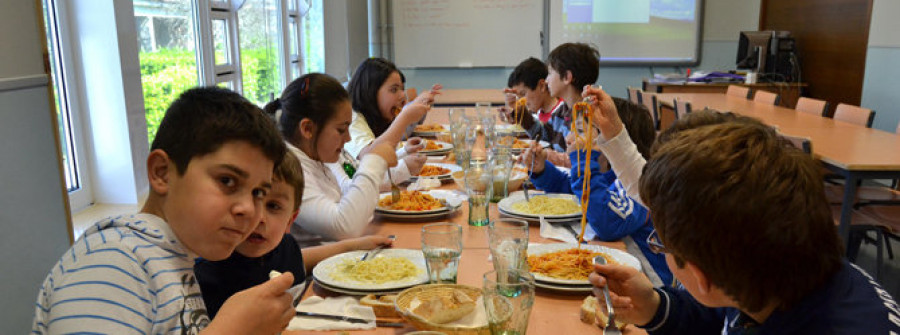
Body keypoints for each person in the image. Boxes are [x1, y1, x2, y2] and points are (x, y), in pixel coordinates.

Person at [582, 86, 900, 333]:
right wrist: (654, 306)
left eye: (660, 241)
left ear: (699, 275)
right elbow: (724, 313)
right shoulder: (777, 267)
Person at [32, 87, 296, 334]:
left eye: (258, 193)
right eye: (227, 181)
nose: (249, 210)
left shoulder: (172, 259)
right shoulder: (113, 261)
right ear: (162, 173)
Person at [195, 151, 392, 318]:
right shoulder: (208, 277)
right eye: (249, 198)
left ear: (290, 219)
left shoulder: (286, 247)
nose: (259, 218)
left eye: (273, 206)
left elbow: (301, 259)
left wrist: (354, 246)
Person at [521, 97, 672, 286]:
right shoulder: (608, 175)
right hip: (618, 276)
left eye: (580, 132)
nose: (569, 139)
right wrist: (541, 170)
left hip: (650, 287)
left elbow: (607, 222)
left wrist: (584, 159)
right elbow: (574, 191)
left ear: (612, 143)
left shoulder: (640, 187)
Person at [263, 73, 398, 246]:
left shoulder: (317, 158)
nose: (348, 138)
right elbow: (345, 227)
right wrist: (374, 161)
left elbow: (349, 195)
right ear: (307, 129)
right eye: (341, 130)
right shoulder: (288, 168)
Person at [344, 57, 442, 184]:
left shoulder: (376, 116)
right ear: (371, 92)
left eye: (402, 89)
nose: (402, 95)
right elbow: (370, 158)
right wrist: (404, 117)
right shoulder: (352, 118)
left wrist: (404, 151)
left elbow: (382, 160)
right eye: (394, 90)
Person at [499, 57, 569, 167]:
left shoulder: (562, 114)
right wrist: (515, 113)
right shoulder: (539, 111)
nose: (521, 100)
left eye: (523, 94)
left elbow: (554, 149)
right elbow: (542, 136)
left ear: (542, 86)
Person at [538, 42, 601, 153]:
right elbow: (541, 138)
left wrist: (548, 156)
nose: (546, 80)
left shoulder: (588, 116)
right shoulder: (561, 111)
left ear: (567, 77)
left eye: (550, 73)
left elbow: (575, 160)